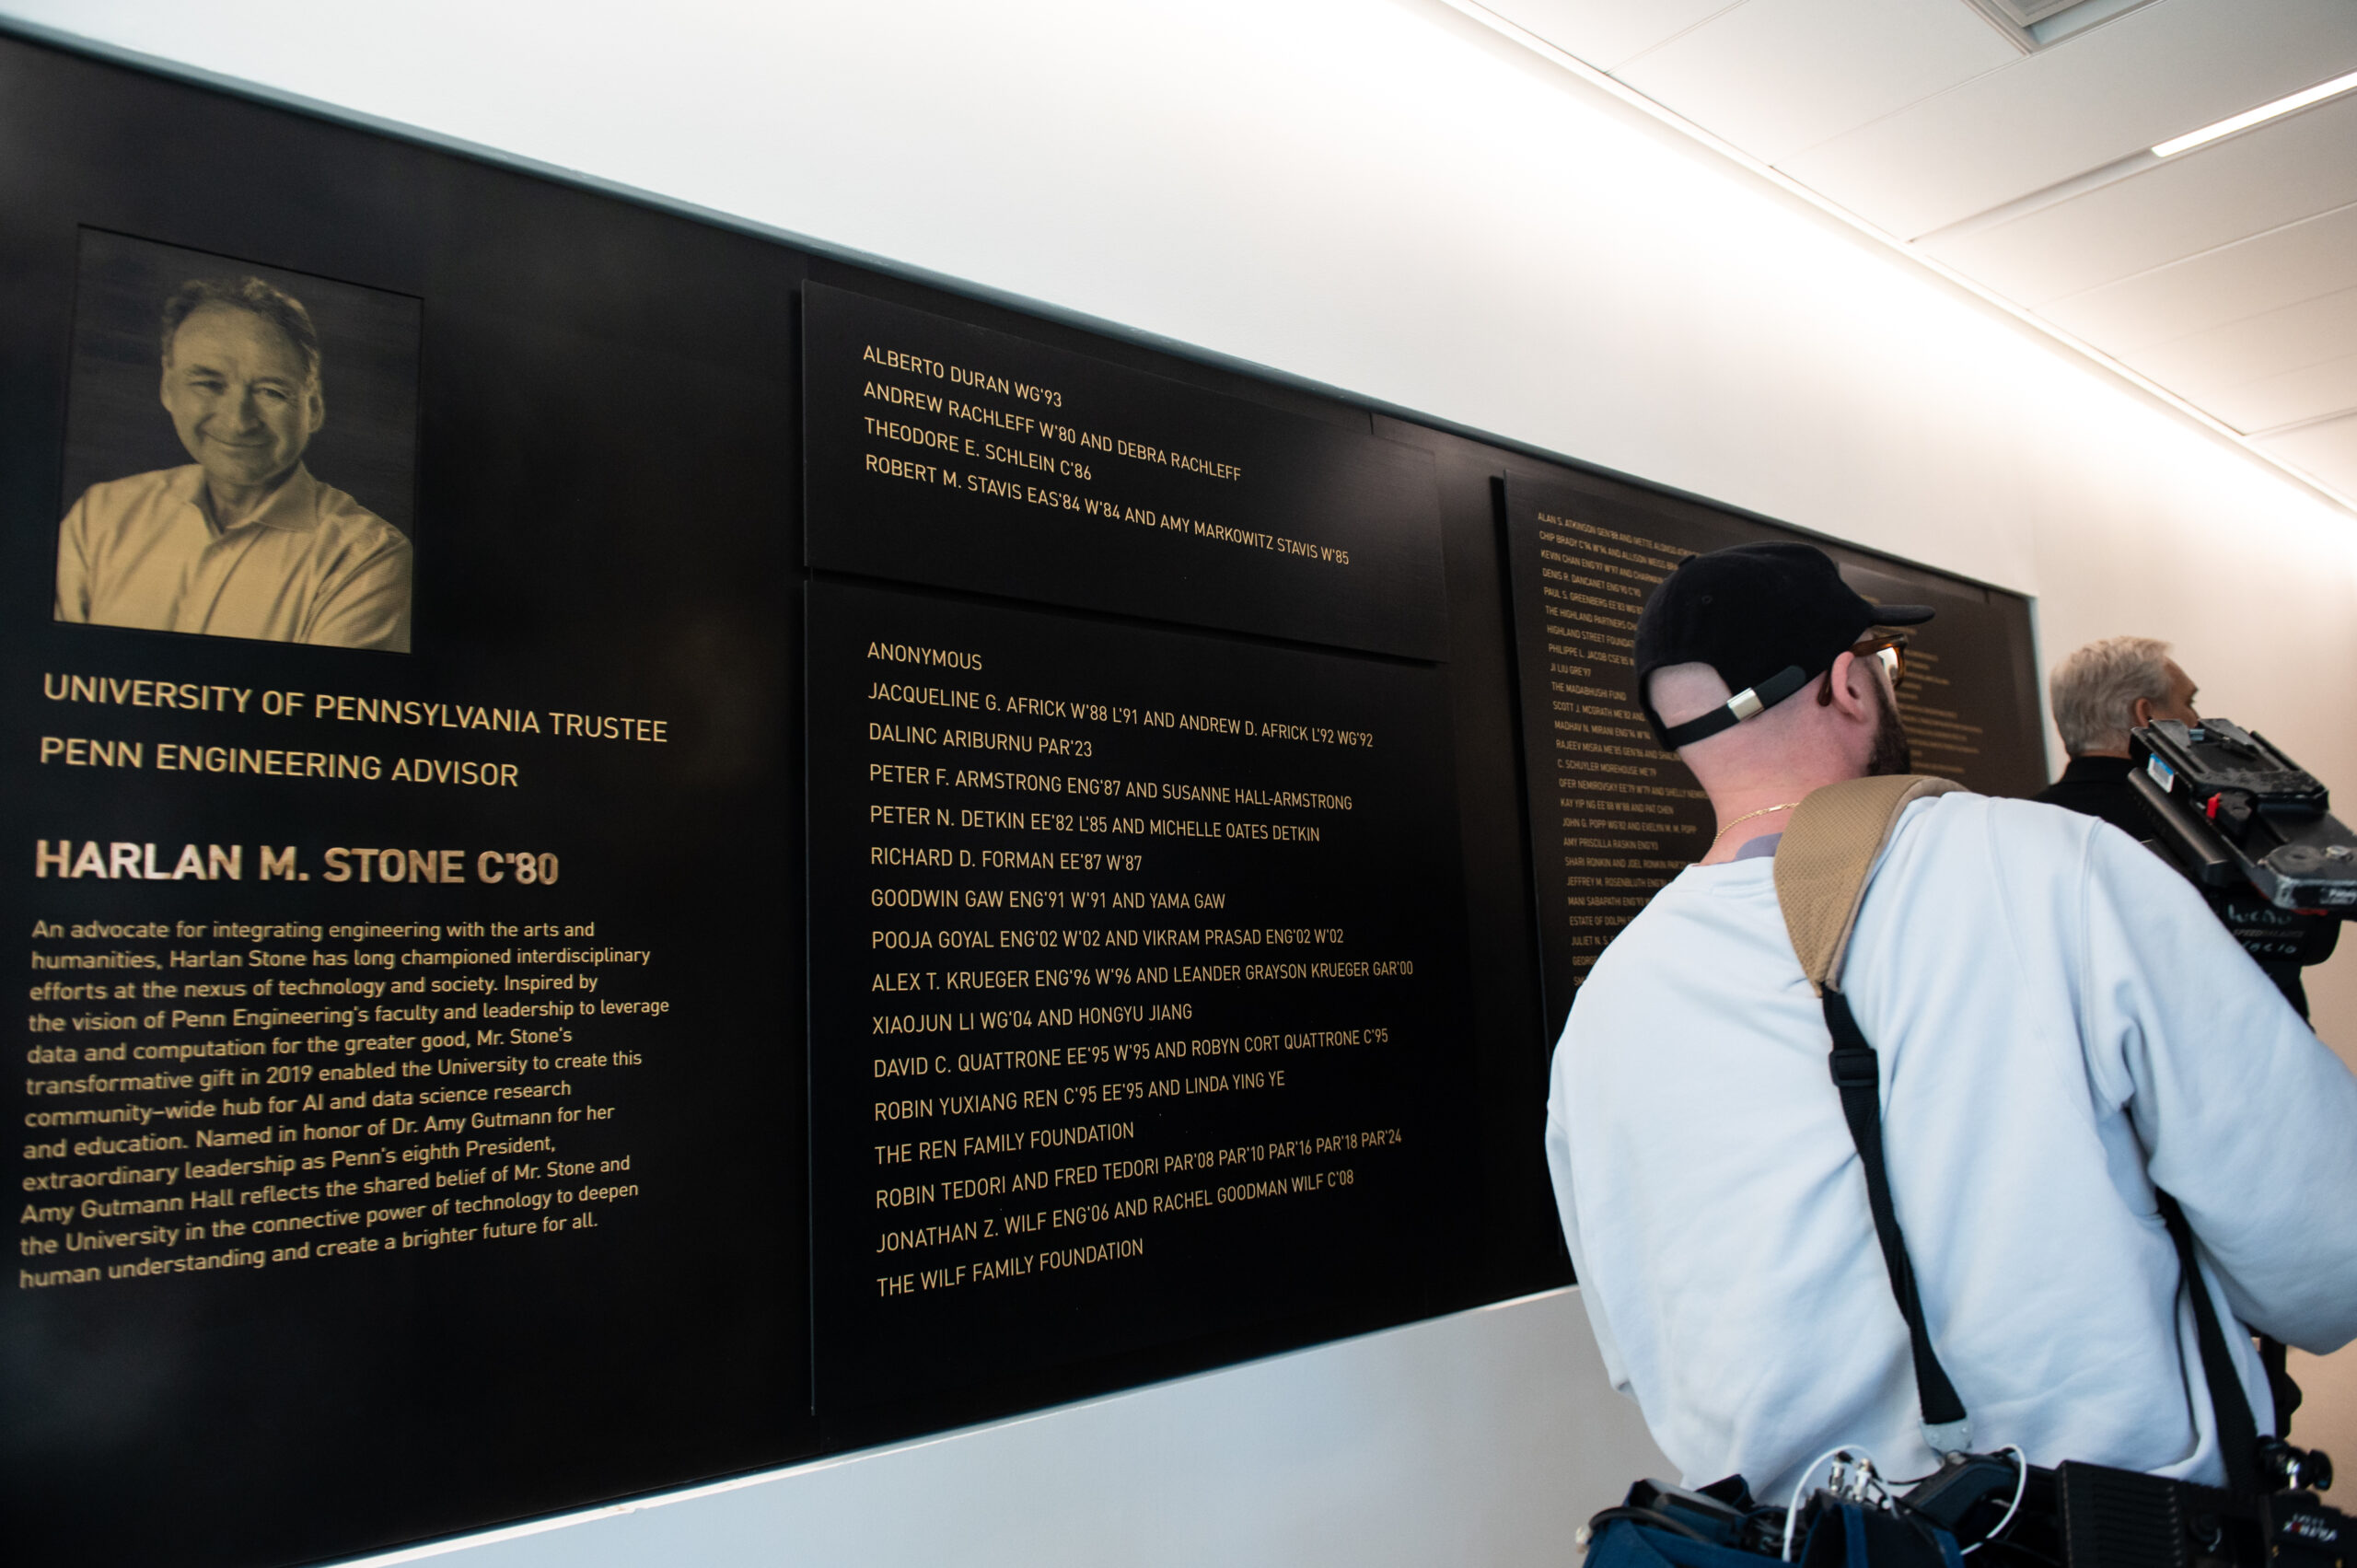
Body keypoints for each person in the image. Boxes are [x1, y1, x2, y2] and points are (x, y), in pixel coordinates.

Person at [1543, 541, 2357, 1502]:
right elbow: (2326, 1246)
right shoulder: (2054, 869)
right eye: (1883, 663)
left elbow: (1639, 1342)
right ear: (1848, 685)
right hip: (2109, 1524)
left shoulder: (1607, 1006)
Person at [54, 275, 412, 651]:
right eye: (208, 384)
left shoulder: (367, 558)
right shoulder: (100, 516)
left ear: (314, 408)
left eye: (271, 391)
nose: (238, 422)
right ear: (167, 387)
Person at [2032, 635, 2201, 838]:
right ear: (2147, 717)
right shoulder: (2192, 832)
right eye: (2189, 703)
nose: (2198, 721)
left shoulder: (2023, 823)